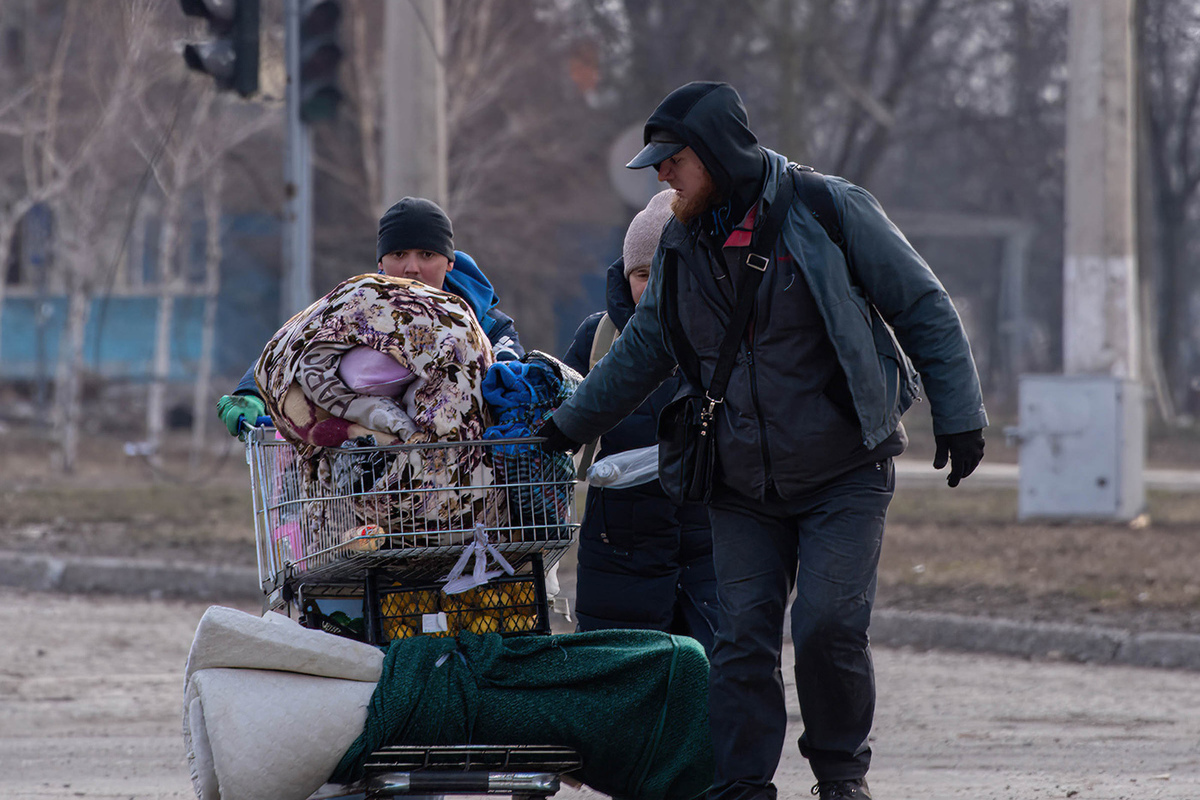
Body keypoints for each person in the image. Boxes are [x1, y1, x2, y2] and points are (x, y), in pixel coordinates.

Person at [536, 81, 987, 800]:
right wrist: (563, 429)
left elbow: (922, 303)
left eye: (671, 159)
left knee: (828, 626)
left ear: (715, 153)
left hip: (844, 468)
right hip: (739, 478)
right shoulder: (684, 239)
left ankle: (841, 774)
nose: (660, 174)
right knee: (740, 642)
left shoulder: (826, 208)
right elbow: (643, 345)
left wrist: (961, 414)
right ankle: (741, 785)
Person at [217, 197, 524, 437]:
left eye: (427, 255)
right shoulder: (357, 309)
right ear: (380, 263)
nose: (412, 268)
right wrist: (251, 392)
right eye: (399, 255)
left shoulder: (489, 326)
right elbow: (297, 344)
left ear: (450, 263)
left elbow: (515, 376)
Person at [563, 189, 718, 655]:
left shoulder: (729, 338)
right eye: (642, 274)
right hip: (618, 552)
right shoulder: (599, 336)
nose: (654, 287)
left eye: (669, 271)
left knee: (716, 695)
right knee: (615, 690)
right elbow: (559, 418)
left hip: (712, 549)